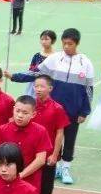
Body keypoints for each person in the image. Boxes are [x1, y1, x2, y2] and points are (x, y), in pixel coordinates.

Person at [38, 28, 93, 185]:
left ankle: (66, 168)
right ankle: (54, 166)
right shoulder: (55, 58)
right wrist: (15, 76)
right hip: (53, 111)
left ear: (77, 43)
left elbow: (89, 90)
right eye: (64, 43)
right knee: (54, 140)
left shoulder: (85, 63)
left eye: (70, 44)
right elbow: (38, 74)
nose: (67, 47)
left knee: (69, 140)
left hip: (73, 112)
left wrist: (85, 111)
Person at [31, 75, 69, 194]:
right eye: (36, 86)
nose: (38, 89)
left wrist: (55, 154)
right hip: (31, 152)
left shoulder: (57, 109)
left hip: (48, 154)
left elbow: (60, 133)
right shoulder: (30, 105)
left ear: (50, 88)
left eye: (42, 86)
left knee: (45, 183)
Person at [0, 96, 51, 194]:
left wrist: (20, 175)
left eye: (25, 113)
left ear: (33, 114)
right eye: (17, 111)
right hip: (6, 179)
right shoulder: (2, 130)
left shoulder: (41, 131)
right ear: (13, 110)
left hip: (30, 182)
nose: (20, 115)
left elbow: (41, 160)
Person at [4, 29, 57, 98]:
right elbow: (31, 73)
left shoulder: (56, 57)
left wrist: (13, 77)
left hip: (50, 88)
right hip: (36, 88)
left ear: (53, 41)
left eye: (46, 39)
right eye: (42, 39)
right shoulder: (37, 55)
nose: (43, 42)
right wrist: (13, 76)